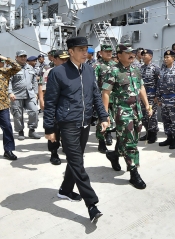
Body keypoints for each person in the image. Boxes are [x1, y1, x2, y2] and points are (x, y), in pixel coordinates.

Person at [44, 36, 109, 224]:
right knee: (78, 162)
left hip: (84, 123)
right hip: (67, 123)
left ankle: (65, 190)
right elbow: (50, 102)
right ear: (70, 51)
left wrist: (103, 117)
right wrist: (49, 127)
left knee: (75, 159)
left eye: (86, 49)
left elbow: (96, 95)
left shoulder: (89, 70)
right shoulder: (58, 72)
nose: (84, 53)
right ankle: (92, 204)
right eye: (80, 49)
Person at [102, 44, 152, 190]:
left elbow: (141, 87)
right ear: (119, 55)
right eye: (128, 52)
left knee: (131, 138)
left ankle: (114, 154)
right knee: (131, 144)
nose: (132, 55)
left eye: (133, 52)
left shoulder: (136, 69)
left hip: (137, 111)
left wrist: (147, 105)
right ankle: (134, 173)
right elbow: (105, 93)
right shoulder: (113, 71)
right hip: (123, 112)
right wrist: (105, 115)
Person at [0, 52, 21, 161]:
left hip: (3, 105)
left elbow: (18, 67)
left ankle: (8, 150)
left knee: (7, 128)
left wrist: (5, 58)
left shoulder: (5, 72)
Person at [41, 50, 69, 165]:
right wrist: (42, 101)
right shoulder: (49, 72)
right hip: (54, 105)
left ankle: (68, 151)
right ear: (54, 59)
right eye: (62, 59)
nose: (64, 61)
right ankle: (53, 152)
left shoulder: (71, 71)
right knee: (54, 129)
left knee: (68, 131)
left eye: (66, 59)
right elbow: (43, 88)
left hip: (67, 106)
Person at [9, 50, 41, 140]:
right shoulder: (12, 68)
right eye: (21, 56)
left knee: (34, 111)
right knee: (17, 114)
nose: (23, 58)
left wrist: (35, 93)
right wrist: (10, 92)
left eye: (24, 56)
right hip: (16, 95)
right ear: (16, 57)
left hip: (30, 94)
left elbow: (34, 81)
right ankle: (20, 131)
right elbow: (8, 82)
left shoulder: (30, 68)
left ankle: (32, 130)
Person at [157, 50, 175, 149]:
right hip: (164, 100)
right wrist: (159, 98)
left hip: (173, 100)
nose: (166, 59)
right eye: (165, 57)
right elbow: (159, 85)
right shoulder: (162, 71)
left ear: (173, 58)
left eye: (168, 57)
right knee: (166, 120)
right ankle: (168, 138)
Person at [93, 44, 116, 153]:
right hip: (103, 97)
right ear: (101, 53)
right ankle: (101, 142)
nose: (109, 53)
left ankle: (109, 135)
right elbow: (94, 84)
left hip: (115, 97)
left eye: (110, 51)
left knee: (114, 119)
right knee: (102, 119)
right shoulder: (97, 66)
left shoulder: (115, 64)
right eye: (106, 51)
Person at [139, 49, 160, 143]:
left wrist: (157, 95)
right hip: (142, 96)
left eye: (145, 55)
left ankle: (153, 134)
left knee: (151, 115)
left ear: (150, 56)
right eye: (142, 55)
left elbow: (159, 82)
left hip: (152, 95)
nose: (143, 56)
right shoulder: (140, 68)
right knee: (143, 116)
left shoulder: (155, 68)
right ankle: (147, 132)